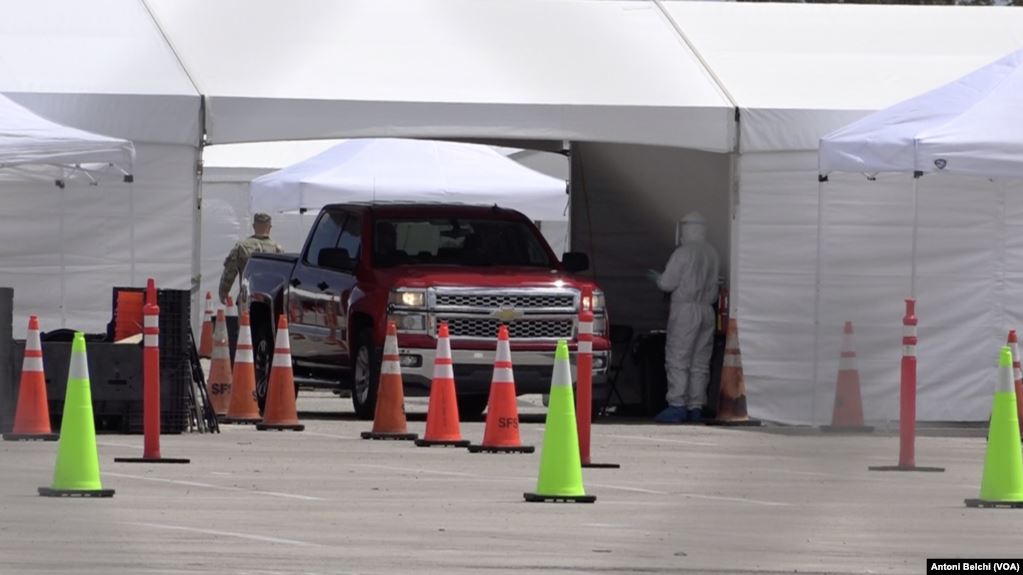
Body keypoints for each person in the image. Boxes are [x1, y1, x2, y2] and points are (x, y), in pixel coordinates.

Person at [646, 211, 720, 424]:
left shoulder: (683, 252)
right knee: (700, 362)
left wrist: (657, 278)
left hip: (685, 311)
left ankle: (677, 405)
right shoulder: (712, 253)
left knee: (678, 358)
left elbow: (668, 283)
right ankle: (695, 406)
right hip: (707, 311)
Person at [219, 213, 284, 306]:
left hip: (248, 298)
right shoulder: (278, 249)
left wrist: (224, 291)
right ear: (270, 227)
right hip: (270, 300)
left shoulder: (242, 247)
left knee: (245, 320)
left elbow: (230, 271)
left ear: (254, 226)